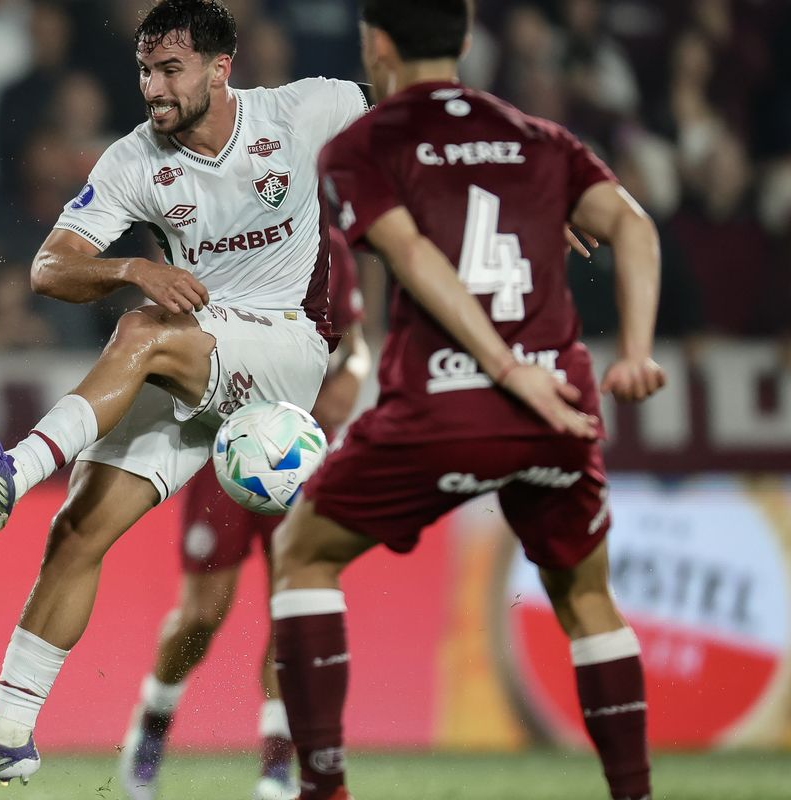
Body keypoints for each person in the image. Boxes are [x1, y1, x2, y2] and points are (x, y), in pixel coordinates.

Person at [0, 0, 370, 788]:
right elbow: (49, 267)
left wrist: (517, 184)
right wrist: (127, 265)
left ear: (222, 69)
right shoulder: (133, 161)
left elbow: (419, 111)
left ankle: (15, 468)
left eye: (171, 69)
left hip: (288, 348)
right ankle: (10, 734)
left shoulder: (302, 110)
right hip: (199, 352)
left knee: (143, 330)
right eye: (146, 69)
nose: (153, 85)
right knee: (77, 533)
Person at [269, 2, 666, 800]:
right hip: (559, 402)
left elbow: (412, 252)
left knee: (304, 554)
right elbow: (634, 228)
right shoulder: (538, 137)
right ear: (468, 40)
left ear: (376, 45)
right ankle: (634, 793)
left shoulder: (362, 144)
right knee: (587, 597)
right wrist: (635, 352)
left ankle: (321, 788)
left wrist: (497, 364)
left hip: (444, 406)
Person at [118, 228, 369, 800]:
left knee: (292, 607)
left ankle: (277, 766)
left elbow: (357, 343)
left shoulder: (326, 245)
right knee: (202, 614)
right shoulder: (214, 230)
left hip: (302, 450)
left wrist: (351, 378)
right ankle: (153, 724)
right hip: (224, 443)